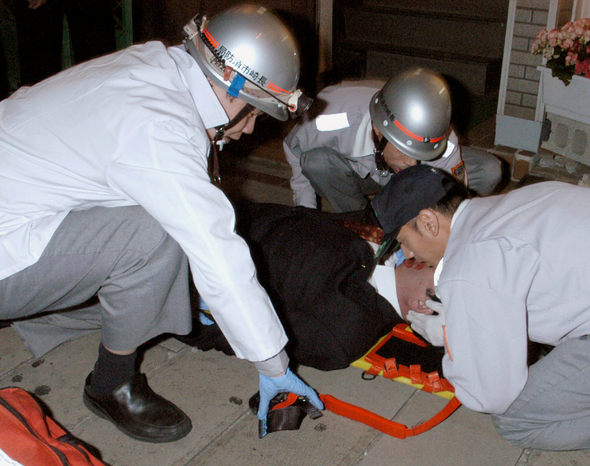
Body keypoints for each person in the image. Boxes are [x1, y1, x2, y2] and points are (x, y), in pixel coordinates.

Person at [0, 4, 323, 443]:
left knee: (146, 224)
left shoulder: (152, 63)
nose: (248, 131)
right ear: (232, 87)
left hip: (20, 201)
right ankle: (110, 383)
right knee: (156, 237)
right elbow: (216, 251)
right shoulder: (161, 130)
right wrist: (274, 366)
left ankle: (69, 314)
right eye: (253, 112)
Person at [370, 164, 590, 451]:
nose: (410, 255)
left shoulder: (470, 264)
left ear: (427, 221)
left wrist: (452, 337)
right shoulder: (511, 201)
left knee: (514, 421)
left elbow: (489, 395)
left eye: (404, 242)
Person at [183, 199, 438, 371]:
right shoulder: (393, 242)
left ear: (422, 306)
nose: (437, 258)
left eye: (439, 272)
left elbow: (239, 331)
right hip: (218, 207)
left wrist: (178, 313)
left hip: (188, 255)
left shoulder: (343, 332)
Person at [283, 68, 503, 212]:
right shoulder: (329, 114)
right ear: (379, 130)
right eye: (406, 152)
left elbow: (454, 200)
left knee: (489, 169)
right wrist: (306, 211)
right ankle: (358, 219)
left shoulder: (443, 140)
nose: (412, 165)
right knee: (315, 162)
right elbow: (293, 147)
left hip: (408, 181)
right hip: (359, 172)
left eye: (420, 154)